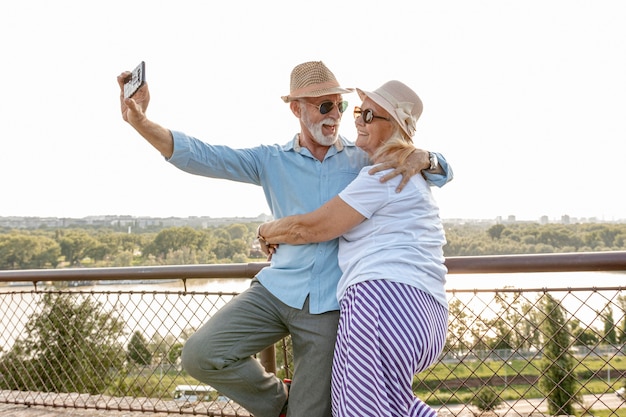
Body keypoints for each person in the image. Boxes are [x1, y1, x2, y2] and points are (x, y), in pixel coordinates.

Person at [117, 61, 452, 417]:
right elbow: (202, 156)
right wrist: (141, 122)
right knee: (201, 354)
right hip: (277, 289)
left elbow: (435, 171)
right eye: (324, 106)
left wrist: (429, 157)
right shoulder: (270, 160)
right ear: (296, 109)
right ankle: (280, 402)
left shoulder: (366, 159)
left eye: (340, 106)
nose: (335, 115)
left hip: (331, 306)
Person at [257, 80, 448, 417]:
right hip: (427, 314)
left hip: (382, 301)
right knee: (394, 407)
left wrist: (267, 230)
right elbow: (440, 167)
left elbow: (314, 227)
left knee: (357, 410)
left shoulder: (383, 175)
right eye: (359, 111)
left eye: (369, 114)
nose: (357, 120)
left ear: (394, 128)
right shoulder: (413, 173)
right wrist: (430, 158)